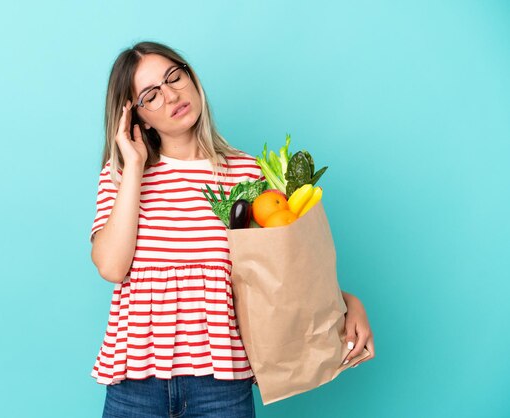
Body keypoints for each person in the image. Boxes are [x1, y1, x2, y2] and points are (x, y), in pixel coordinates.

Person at [89, 41, 375, 418]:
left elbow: (276, 275)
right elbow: (111, 267)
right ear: (136, 117)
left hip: (222, 385)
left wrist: (348, 302)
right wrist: (135, 165)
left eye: (174, 77)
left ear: (190, 76)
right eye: (151, 96)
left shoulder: (247, 173)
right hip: (135, 383)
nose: (172, 94)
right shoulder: (123, 176)